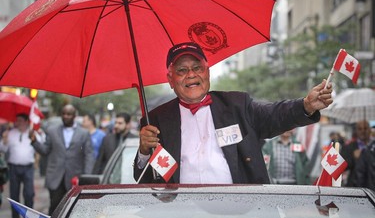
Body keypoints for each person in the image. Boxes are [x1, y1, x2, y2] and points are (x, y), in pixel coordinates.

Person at [134, 42, 333, 184]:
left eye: (197, 68)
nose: (191, 74)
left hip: (239, 213)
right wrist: (144, 151)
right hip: (180, 216)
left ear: (207, 72)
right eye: (182, 70)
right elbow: (145, 179)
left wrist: (306, 105)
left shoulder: (238, 105)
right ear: (170, 79)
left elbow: (274, 115)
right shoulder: (155, 121)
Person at [29, 104, 94, 215]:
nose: (65, 116)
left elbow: (88, 155)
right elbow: (45, 151)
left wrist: (87, 177)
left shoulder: (84, 133)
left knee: (73, 211)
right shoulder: (52, 131)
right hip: (55, 178)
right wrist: (34, 142)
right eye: (63, 114)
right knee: (54, 209)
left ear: (74, 116)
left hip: (74, 178)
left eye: (68, 114)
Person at [0, 114, 38, 218]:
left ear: (26, 121)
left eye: (21, 120)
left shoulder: (31, 133)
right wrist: (4, 140)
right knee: (14, 196)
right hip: (14, 168)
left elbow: (40, 145)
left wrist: (36, 136)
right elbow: (3, 149)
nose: (18, 123)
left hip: (28, 168)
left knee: (29, 195)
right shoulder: (11, 133)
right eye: (17, 121)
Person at [341, 119, 371, 187]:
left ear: (369, 130)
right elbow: (343, 166)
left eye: (365, 128)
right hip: (355, 186)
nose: (363, 131)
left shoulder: (373, 146)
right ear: (356, 131)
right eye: (360, 129)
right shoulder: (349, 147)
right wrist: (353, 157)